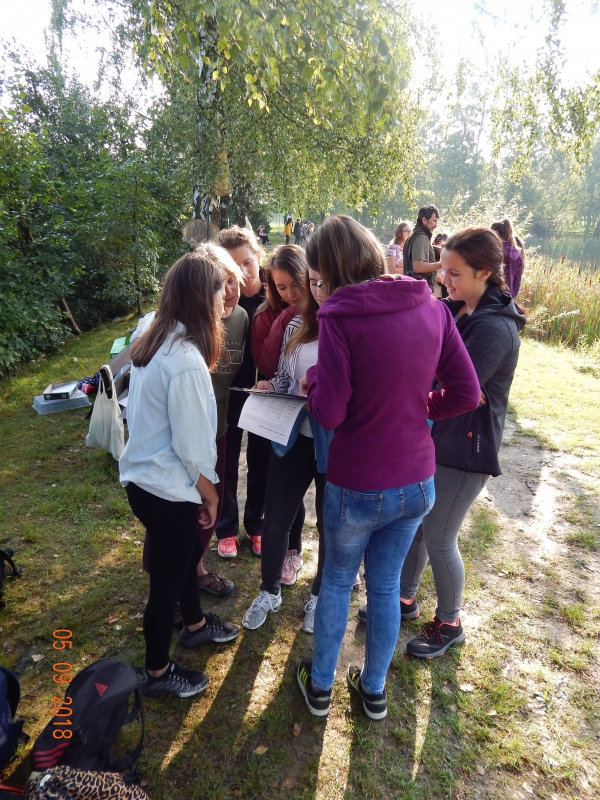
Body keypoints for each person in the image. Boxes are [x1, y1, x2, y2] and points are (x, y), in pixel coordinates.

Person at [295, 215, 481, 720]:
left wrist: (315, 383)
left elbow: (331, 411)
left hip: (358, 481)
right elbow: (466, 393)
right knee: (384, 586)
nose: (316, 287)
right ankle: (374, 690)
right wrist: (419, 408)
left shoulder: (338, 316)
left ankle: (320, 687)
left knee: (337, 579)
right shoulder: (432, 306)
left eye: (316, 277)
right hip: (417, 481)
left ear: (329, 272)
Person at [119, 249, 241, 699]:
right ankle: (156, 672)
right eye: (218, 292)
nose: (224, 300)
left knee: (184, 555)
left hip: (146, 481)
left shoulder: (156, 331)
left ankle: (194, 625)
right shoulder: (186, 359)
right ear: (198, 298)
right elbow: (192, 450)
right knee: (165, 584)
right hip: (167, 488)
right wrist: (210, 495)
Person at [399, 227, 525, 658]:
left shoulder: (495, 329)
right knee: (417, 523)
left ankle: (450, 622)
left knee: (439, 536)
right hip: (442, 440)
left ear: (485, 272)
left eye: (454, 274)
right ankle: (405, 598)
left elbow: (455, 387)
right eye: (443, 271)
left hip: (466, 451)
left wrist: (422, 393)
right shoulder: (464, 311)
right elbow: (441, 373)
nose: (443, 280)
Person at [243, 258, 330, 634]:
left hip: (333, 444)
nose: (315, 291)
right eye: (314, 282)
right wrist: (271, 388)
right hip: (294, 437)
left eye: (321, 282)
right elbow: (283, 376)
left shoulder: (348, 327)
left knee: (331, 526)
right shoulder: (296, 324)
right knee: (276, 517)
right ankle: (269, 591)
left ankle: (320, 595)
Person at [194, 246, 249, 595]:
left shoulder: (243, 317)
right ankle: (181, 573)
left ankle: (195, 566)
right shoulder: (198, 325)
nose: (230, 290)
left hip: (222, 423)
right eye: (222, 282)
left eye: (235, 281)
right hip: (194, 429)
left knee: (212, 493)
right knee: (192, 500)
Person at [215, 226, 269, 558]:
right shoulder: (220, 297)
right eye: (232, 269)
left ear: (258, 257)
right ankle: (226, 527)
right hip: (229, 392)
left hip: (266, 393)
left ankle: (258, 524)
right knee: (227, 458)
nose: (242, 274)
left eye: (247, 263)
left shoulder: (276, 292)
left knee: (262, 459)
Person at [251, 245, 304, 379]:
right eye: (282, 287)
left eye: (296, 284)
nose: (291, 294)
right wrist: (284, 319)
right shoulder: (265, 316)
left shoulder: (323, 307)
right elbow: (264, 367)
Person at [403, 204, 440, 290]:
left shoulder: (413, 235)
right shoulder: (421, 237)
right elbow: (418, 267)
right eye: (434, 221)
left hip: (412, 289)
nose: (436, 225)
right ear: (424, 220)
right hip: (419, 290)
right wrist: (442, 264)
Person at [491, 219, 525, 298]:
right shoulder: (518, 254)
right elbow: (517, 281)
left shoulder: (492, 249)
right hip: (507, 296)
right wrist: (511, 298)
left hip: (490, 295)